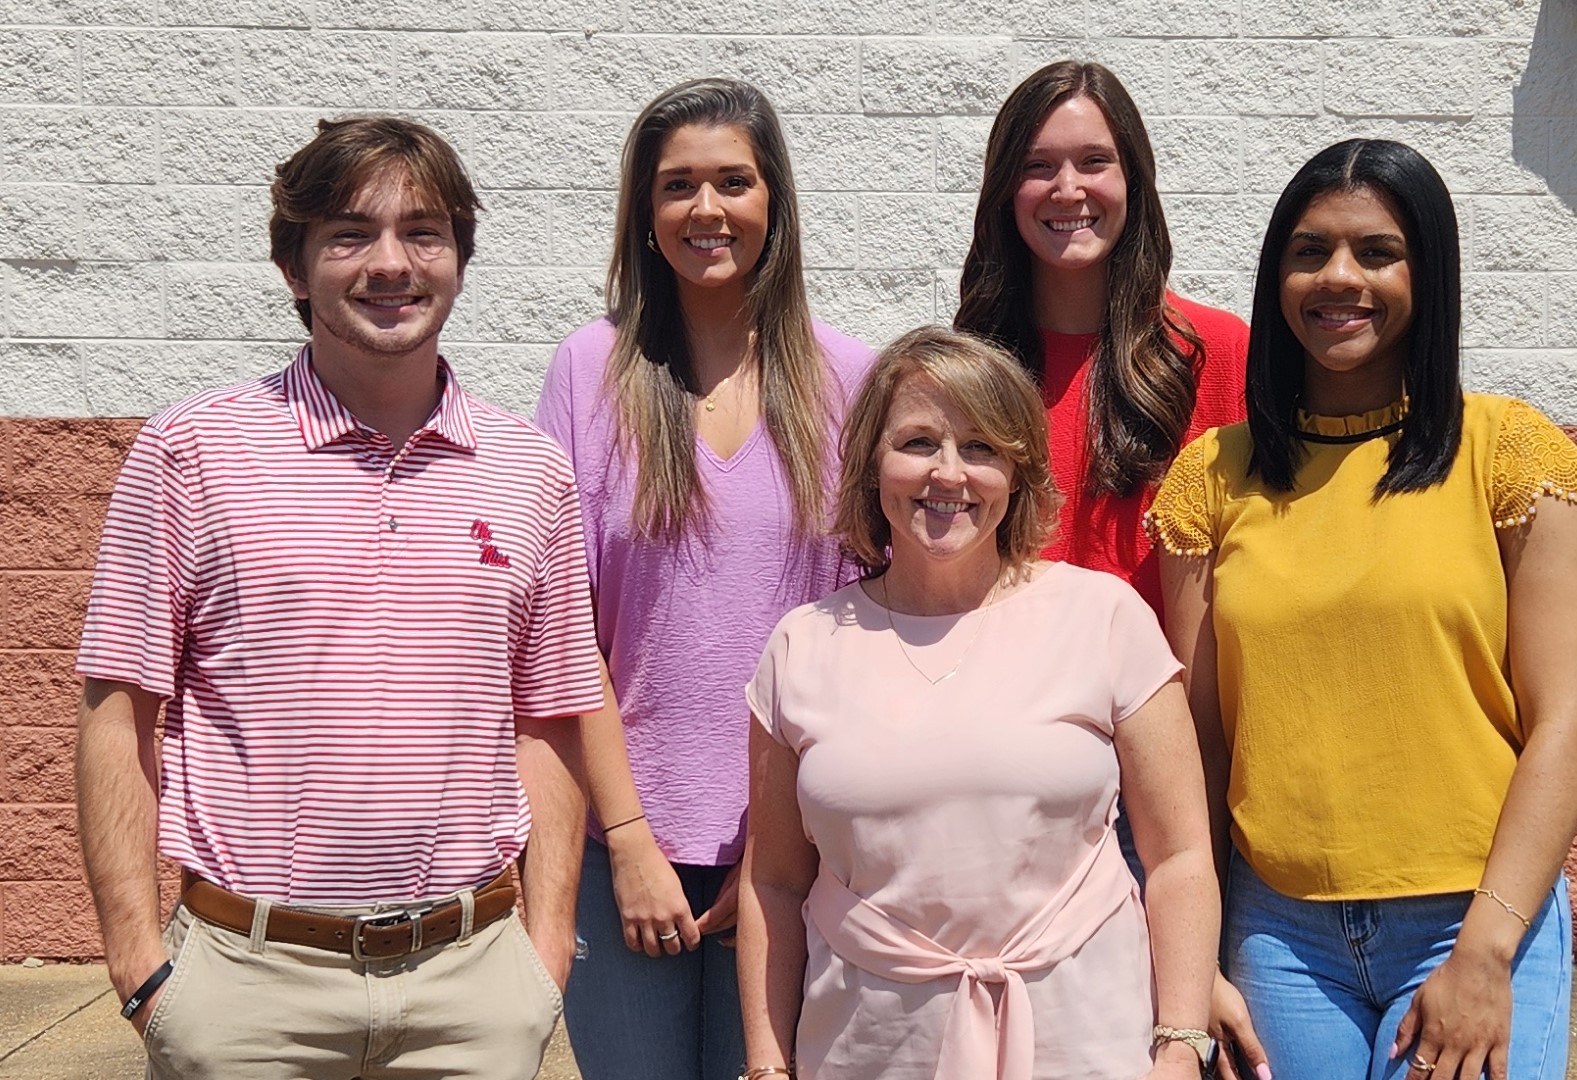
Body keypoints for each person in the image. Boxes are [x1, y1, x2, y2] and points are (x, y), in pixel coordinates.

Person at [74, 116, 604, 1080]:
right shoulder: (192, 455)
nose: (391, 263)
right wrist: (138, 964)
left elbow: (551, 718)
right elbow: (121, 711)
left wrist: (546, 955)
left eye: (425, 232)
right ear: (294, 266)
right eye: (350, 234)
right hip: (248, 987)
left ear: (459, 258)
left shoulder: (530, 473)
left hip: (473, 986)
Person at [1147, 139, 1577, 1080]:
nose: (1339, 277)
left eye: (1377, 252)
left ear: (1427, 272)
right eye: (1309, 252)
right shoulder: (1212, 477)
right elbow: (1200, 740)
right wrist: (1198, 961)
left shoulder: (1509, 454)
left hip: (1473, 918)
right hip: (1278, 936)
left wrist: (1485, 950)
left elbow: (1566, 724)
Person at [738, 326, 1222, 1080]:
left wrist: (1181, 1046)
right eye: (919, 442)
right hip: (866, 1051)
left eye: (982, 448)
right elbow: (772, 881)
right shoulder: (803, 646)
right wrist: (766, 1067)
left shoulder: (1105, 616)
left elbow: (1182, 856)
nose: (948, 473)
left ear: (1019, 470)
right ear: (872, 461)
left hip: (1088, 1045)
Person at [534, 78, 874, 1080]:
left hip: (796, 847)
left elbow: (860, 631)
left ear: (774, 201)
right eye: (677, 185)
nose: (707, 209)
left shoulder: (848, 379)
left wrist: (778, 846)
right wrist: (631, 844)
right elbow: (562, 631)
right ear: (644, 213)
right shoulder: (588, 370)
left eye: (733, 180)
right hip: (621, 845)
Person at [954, 59, 1250, 619]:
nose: (1068, 189)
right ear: (1005, 191)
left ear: (1133, 180)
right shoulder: (973, 366)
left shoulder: (1220, 352)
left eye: (1095, 162)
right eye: (1037, 166)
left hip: (1178, 702)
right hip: (1011, 695)